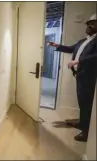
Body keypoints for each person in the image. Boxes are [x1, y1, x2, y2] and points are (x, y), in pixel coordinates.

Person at [48, 14, 97, 142]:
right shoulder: (83, 41)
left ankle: (86, 133)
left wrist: (78, 62)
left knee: (87, 104)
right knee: (82, 103)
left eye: (93, 23)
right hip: (80, 76)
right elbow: (71, 48)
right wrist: (57, 46)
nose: (89, 25)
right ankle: (82, 123)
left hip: (90, 78)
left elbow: (95, 57)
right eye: (88, 23)